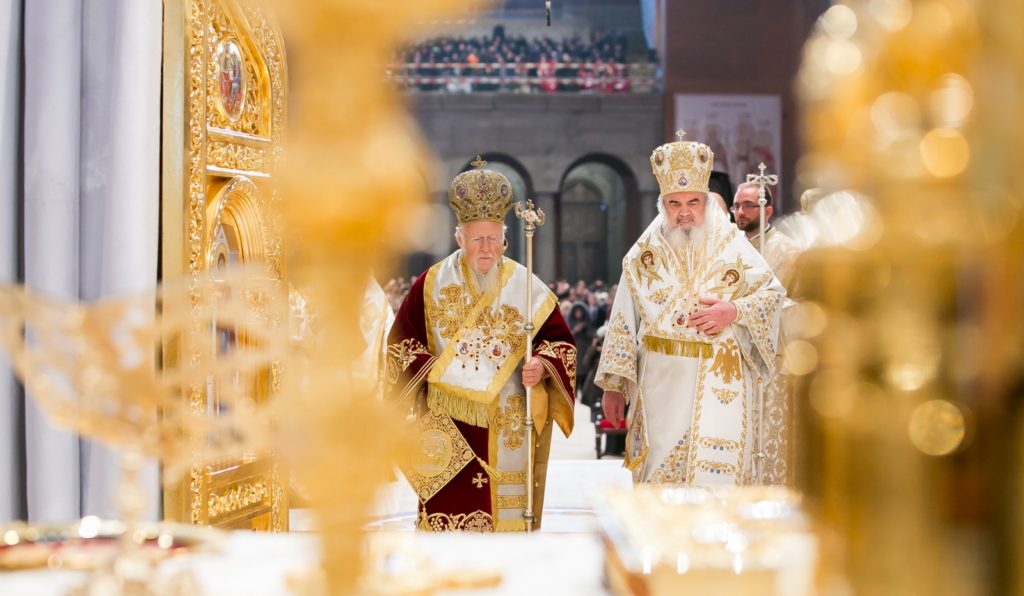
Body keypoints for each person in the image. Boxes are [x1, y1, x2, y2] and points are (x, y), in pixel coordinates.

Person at [385, 157, 576, 532]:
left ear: (505, 238)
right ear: (459, 238)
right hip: (447, 424)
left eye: (493, 239)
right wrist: (433, 373)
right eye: (477, 239)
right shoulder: (431, 283)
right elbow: (401, 344)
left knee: (506, 529)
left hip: (509, 419)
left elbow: (560, 344)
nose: (486, 249)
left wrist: (542, 364)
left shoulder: (527, 286)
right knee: (449, 525)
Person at [594, 132, 786, 486]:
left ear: (706, 203)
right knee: (658, 478)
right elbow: (622, 320)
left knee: (713, 484)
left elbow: (772, 294)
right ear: (662, 205)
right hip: (658, 388)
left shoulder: (733, 245)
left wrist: (734, 311)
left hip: (718, 380)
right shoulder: (642, 255)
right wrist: (613, 387)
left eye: (693, 202)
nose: (684, 213)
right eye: (674, 204)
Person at [731, 179, 804, 485]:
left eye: (748, 205)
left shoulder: (790, 252)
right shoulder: (725, 248)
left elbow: (801, 307)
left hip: (773, 360)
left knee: (770, 441)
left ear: (768, 210)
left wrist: (751, 309)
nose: (740, 212)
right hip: (730, 360)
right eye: (736, 206)